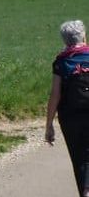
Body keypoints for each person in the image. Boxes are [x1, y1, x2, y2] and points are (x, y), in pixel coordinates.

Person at [44, 20, 89, 197]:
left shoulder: (61, 62)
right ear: (84, 35)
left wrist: (49, 125)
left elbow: (55, 95)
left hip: (70, 117)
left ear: (65, 40)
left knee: (79, 157)